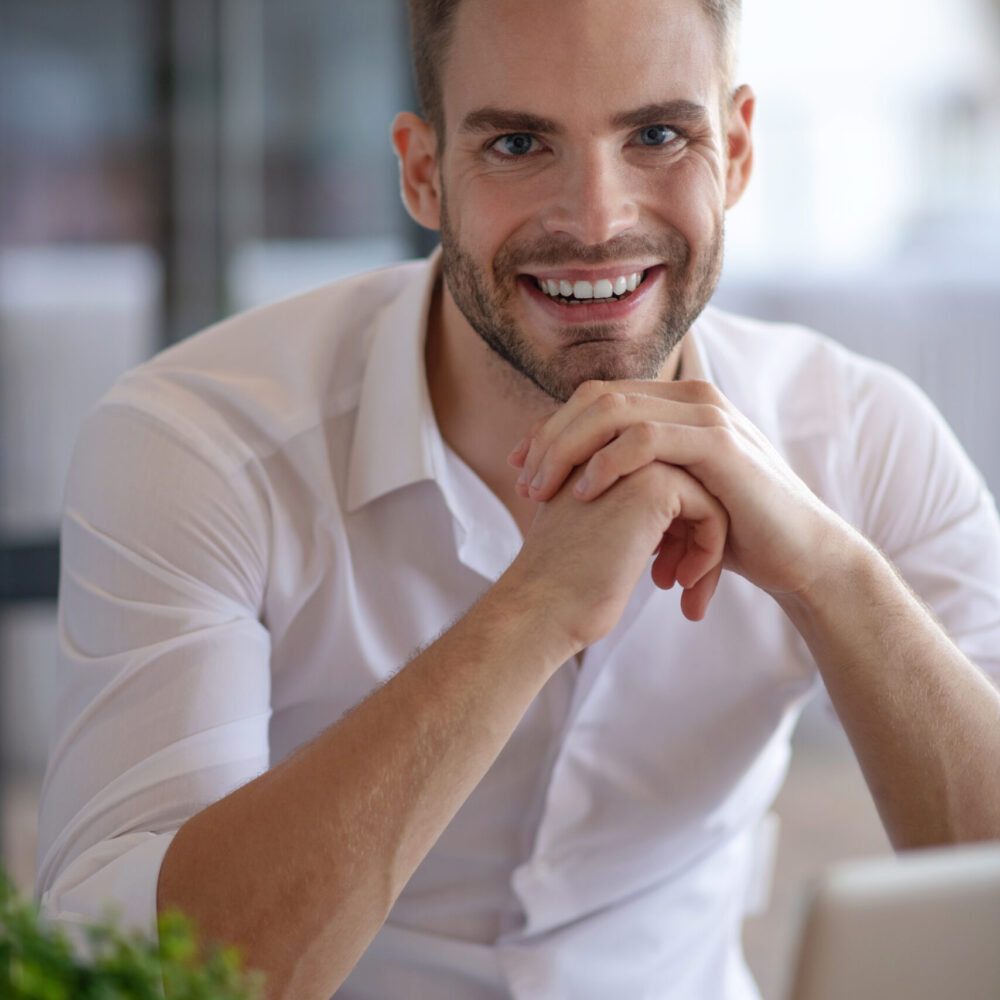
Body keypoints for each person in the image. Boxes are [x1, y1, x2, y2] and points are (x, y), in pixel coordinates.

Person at [36, 1, 1000, 998]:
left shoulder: (862, 437)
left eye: (659, 135)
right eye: (516, 142)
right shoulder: (194, 443)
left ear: (739, 149)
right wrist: (531, 611)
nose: (596, 219)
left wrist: (831, 572)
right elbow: (125, 971)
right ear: (421, 172)